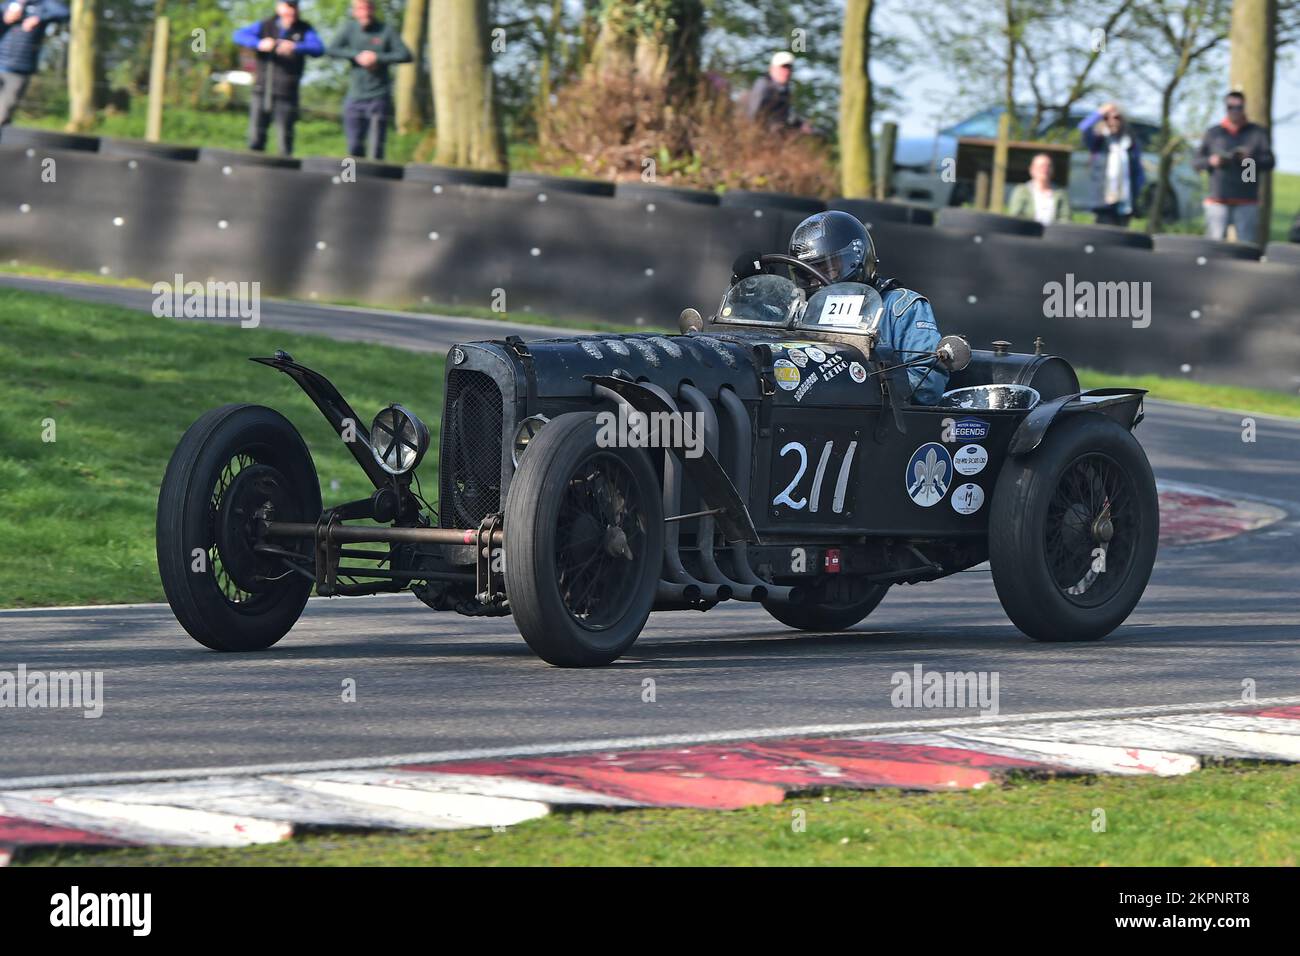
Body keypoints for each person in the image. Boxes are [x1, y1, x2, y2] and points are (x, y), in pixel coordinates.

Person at [787, 210, 947, 404]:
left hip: (876, 419)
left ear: (855, 258)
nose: (815, 279)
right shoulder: (799, 310)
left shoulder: (901, 307)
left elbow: (928, 386)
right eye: (807, 273)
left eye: (827, 268)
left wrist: (866, 386)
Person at [233, 0, 323, 157]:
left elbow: (319, 48)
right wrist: (259, 43)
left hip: (287, 94)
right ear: (279, 7)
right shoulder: (265, 25)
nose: (292, 10)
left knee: (284, 142)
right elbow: (237, 35)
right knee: (255, 138)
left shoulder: (304, 29)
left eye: (294, 6)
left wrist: (296, 47)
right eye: (288, 6)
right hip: (261, 90)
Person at [327, 0, 411, 161]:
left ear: (373, 9)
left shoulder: (386, 30)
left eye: (367, 7)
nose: (364, 12)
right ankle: (350, 180)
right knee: (353, 146)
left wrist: (377, 58)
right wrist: (356, 56)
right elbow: (331, 50)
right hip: (354, 96)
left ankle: (375, 184)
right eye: (360, 8)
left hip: (379, 97)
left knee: (376, 147)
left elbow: (405, 55)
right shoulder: (349, 29)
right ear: (354, 11)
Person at [1194, 90, 1275, 244]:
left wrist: (1250, 160)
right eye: (1231, 107)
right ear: (1226, 108)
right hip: (1219, 198)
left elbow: (1269, 162)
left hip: (1247, 199)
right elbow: (1196, 162)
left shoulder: (1257, 133)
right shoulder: (1214, 133)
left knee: (1246, 245)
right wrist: (1212, 161)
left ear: (1244, 107)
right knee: (1214, 244)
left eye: (1239, 107)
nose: (1235, 111)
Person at [0, 0, 68, 127]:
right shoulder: (7, 5)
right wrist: (5, 18)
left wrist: (38, 18)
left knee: (4, 112)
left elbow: (64, 12)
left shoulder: (43, 5)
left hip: (19, 68)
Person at [1077, 101, 1144, 227]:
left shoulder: (1131, 143)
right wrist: (1099, 112)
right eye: (1107, 118)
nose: (1112, 121)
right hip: (1103, 201)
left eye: (1117, 117)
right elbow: (1083, 128)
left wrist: (1136, 193)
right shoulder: (1098, 141)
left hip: (1125, 201)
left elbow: (1138, 172)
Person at [745, 51, 810, 133]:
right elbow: (754, 116)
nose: (787, 72)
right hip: (762, 135)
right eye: (783, 67)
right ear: (772, 69)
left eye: (789, 68)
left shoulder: (784, 89)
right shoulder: (763, 86)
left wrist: (800, 124)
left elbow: (786, 115)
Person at [1006, 152, 1071, 226]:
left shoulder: (1061, 193)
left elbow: (1066, 218)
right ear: (1032, 169)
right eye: (1041, 166)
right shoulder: (1021, 191)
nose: (1045, 169)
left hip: (1054, 234)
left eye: (1048, 166)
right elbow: (1015, 216)